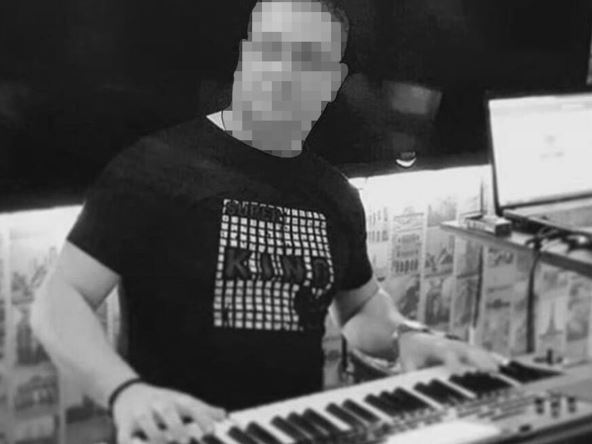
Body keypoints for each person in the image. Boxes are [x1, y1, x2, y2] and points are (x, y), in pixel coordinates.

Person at [31, 1, 502, 443]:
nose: (284, 73)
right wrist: (124, 392)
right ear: (246, 57)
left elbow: (359, 307)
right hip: (182, 432)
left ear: (334, 81)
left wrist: (406, 337)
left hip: (295, 430)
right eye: (272, 50)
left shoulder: (335, 194)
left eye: (308, 60)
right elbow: (60, 298)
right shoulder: (155, 167)